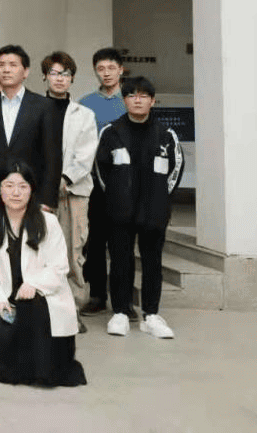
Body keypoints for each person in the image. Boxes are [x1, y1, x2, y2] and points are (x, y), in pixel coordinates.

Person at [95, 76, 183, 340]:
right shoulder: (111, 132)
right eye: (132, 95)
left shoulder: (166, 135)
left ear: (152, 101)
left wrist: (160, 198)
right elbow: (100, 169)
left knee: (153, 262)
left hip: (154, 211)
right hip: (119, 211)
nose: (137, 100)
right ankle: (120, 312)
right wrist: (115, 197)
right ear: (124, 100)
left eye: (143, 95)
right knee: (120, 261)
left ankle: (151, 315)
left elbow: (176, 170)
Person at [0, 162, 86, 387]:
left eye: (23, 186)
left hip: (42, 297)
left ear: (32, 190)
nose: (16, 192)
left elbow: (60, 266)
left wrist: (34, 284)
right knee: (1, 357)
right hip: (4, 300)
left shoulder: (48, 222)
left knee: (35, 310)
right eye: (9, 185)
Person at [0, 45, 60, 215]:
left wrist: (47, 199)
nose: (6, 70)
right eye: (1, 65)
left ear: (26, 71)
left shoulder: (44, 106)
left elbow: (52, 157)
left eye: (13, 65)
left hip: (31, 193)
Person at [41, 51, 99, 319]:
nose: (59, 78)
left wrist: (65, 179)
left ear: (72, 78)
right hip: (40, 192)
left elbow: (86, 153)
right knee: (41, 249)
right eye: (54, 73)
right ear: (45, 76)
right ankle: (44, 307)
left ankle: (73, 307)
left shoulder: (84, 114)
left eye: (65, 74)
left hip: (73, 192)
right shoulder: (34, 109)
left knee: (73, 249)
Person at [78, 47, 128, 317]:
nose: (106, 73)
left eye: (111, 68)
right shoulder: (85, 103)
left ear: (121, 69)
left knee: (122, 243)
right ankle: (97, 295)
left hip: (124, 183)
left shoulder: (130, 99)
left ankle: (124, 300)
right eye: (101, 69)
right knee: (95, 242)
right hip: (93, 182)